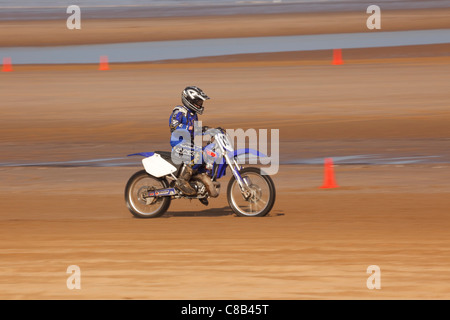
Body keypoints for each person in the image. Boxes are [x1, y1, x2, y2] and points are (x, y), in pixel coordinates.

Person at [169, 86, 210, 196]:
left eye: (200, 102)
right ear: (189, 100)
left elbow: (195, 132)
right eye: (198, 101)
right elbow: (173, 125)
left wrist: (209, 132)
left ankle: (199, 186)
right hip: (178, 144)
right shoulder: (179, 111)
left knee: (207, 157)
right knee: (199, 156)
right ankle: (182, 181)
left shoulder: (194, 115)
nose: (200, 104)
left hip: (189, 145)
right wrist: (189, 128)